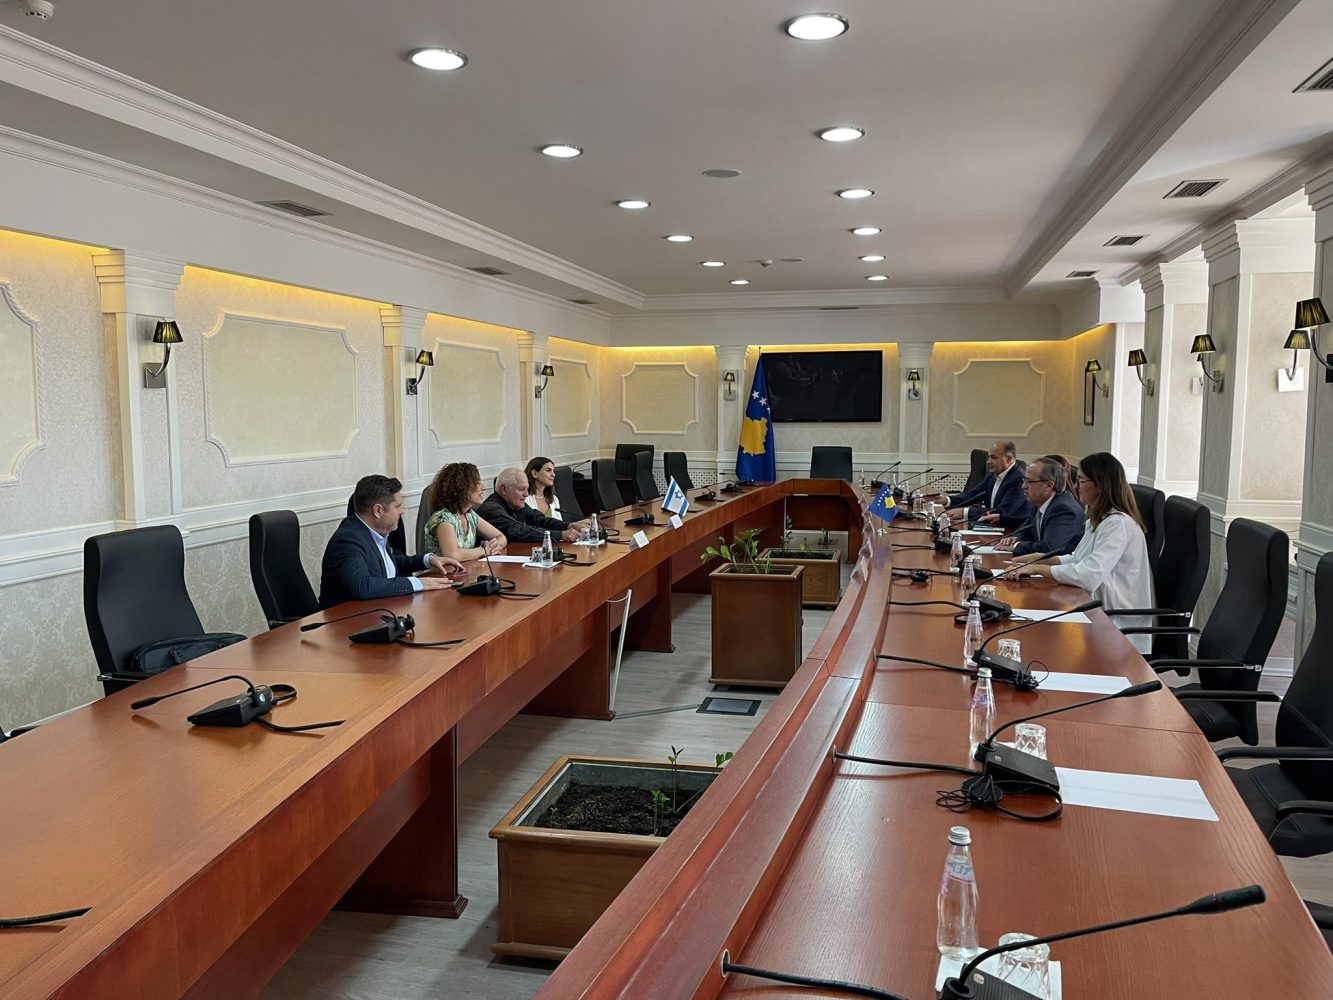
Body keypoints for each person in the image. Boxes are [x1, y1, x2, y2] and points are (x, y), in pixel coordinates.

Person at [1010, 452, 1153, 654]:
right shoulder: (1099, 519)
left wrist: (1038, 569)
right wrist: (1040, 560)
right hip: (1095, 608)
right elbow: (1078, 559)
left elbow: (1088, 576)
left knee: (1046, 644)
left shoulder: (1118, 524)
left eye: (1081, 481)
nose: (1076, 486)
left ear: (1100, 485)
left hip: (1116, 624)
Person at [319, 474, 464, 609]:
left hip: (378, 611)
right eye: (397, 506)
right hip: (345, 621)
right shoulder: (348, 540)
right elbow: (362, 585)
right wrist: (417, 583)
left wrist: (427, 560)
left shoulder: (373, 530)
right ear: (378, 510)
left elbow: (385, 564)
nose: (402, 511)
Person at [994, 459, 1085, 556]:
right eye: (1024, 480)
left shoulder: (1063, 509)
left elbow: (1049, 548)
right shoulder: (1039, 502)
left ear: (1049, 486)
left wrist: (1016, 546)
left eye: (1029, 481)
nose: (1023, 486)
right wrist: (1016, 538)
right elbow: (1025, 530)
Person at [422, 463, 508, 563]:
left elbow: (501, 537)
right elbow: (452, 555)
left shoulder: (470, 515)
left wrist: (493, 547)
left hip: (465, 570)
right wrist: (484, 550)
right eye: (477, 483)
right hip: (441, 572)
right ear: (461, 488)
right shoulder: (443, 518)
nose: (484, 487)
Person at [479, 468, 581, 544]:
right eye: (521, 489)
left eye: (527, 489)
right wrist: (560, 535)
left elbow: (540, 520)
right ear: (504, 489)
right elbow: (519, 531)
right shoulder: (491, 509)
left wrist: (568, 526)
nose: (526, 494)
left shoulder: (516, 504)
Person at [941, 439, 1027, 527]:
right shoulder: (992, 476)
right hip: (992, 526)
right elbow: (971, 495)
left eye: (994, 457)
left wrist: (965, 512)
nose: (988, 461)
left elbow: (1002, 512)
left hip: (1010, 530)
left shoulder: (1019, 480)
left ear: (1008, 459)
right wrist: (946, 500)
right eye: (989, 457)